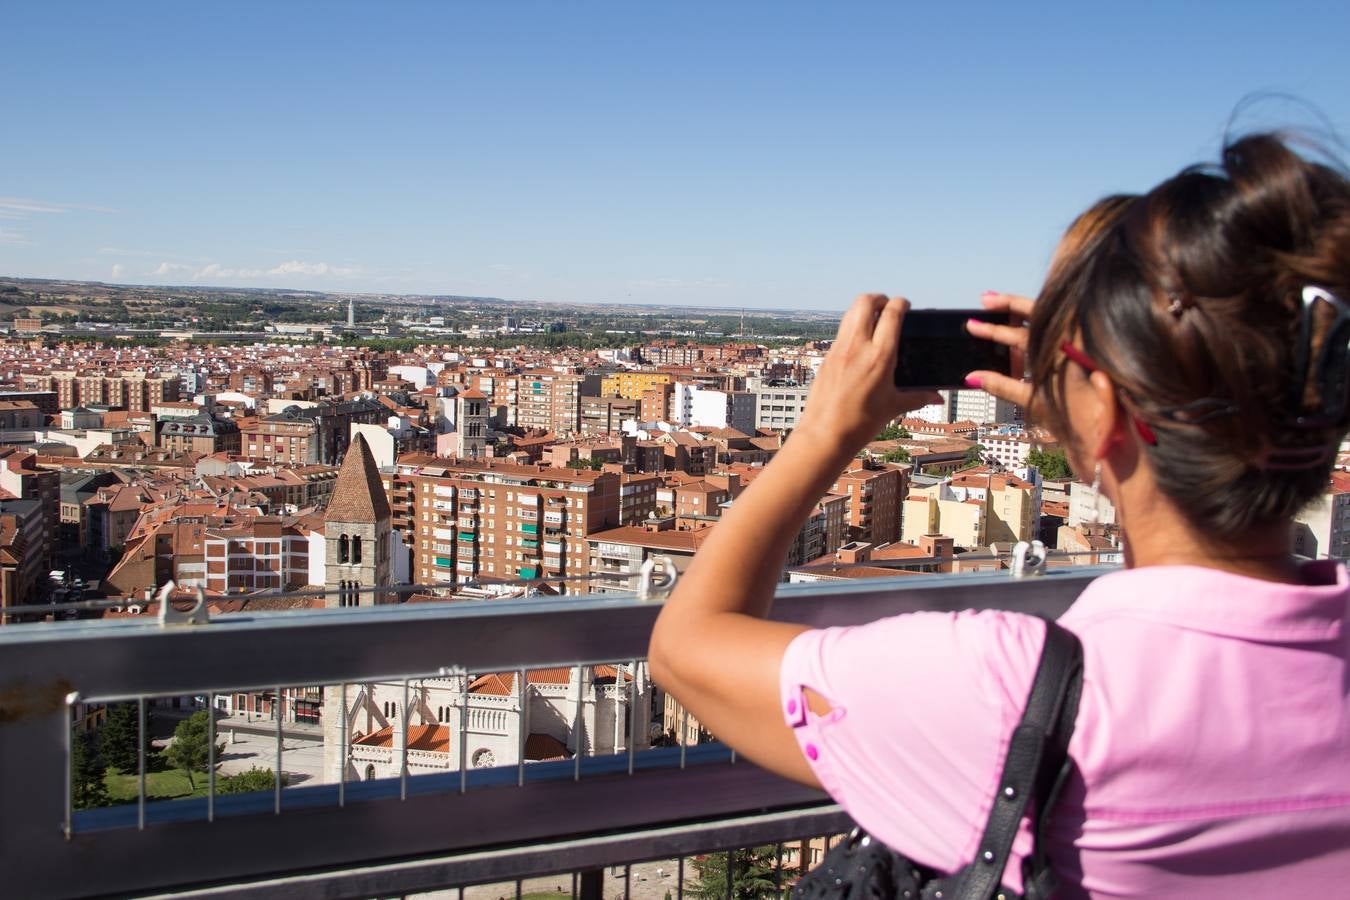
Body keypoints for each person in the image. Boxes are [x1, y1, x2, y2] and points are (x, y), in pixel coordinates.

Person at [647, 132, 1350, 897]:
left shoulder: (1009, 691)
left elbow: (687, 649)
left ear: (1105, 410)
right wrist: (1093, 404)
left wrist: (824, 432)